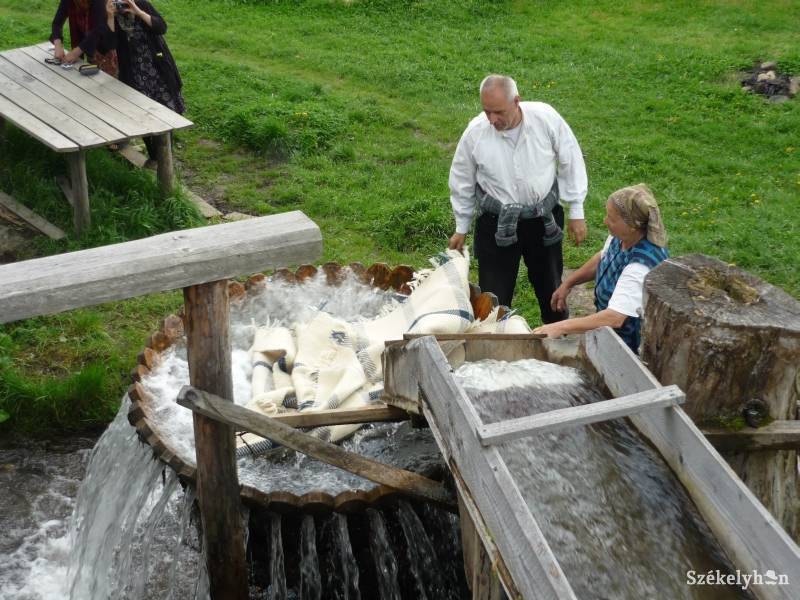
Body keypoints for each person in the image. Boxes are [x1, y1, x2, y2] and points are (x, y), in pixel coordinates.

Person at [448, 74, 588, 323]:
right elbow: (462, 179)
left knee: (551, 289)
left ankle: (559, 340)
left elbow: (570, 158)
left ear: (517, 101)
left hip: (542, 220)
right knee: (493, 300)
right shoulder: (475, 132)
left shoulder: (545, 118)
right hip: (496, 223)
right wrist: (462, 226)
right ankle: (493, 351)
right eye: (487, 111)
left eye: (498, 112)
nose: (492, 119)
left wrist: (576, 211)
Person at [532, 184, 669, 353]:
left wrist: (559, 327)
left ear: (632, 225)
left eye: (611, 218)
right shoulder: (622, 237)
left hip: (630, 348)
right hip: (610, 336)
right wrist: (568, 284)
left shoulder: (640, 266)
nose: (605, 221)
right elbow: (603, 257)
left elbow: (615, 318)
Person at [101, 0, 185, 164]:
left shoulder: (141, 4)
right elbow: (107, 45)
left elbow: (161, 27)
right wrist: (110, 18)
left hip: (158, 70)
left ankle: (166, 156)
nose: (120, 4)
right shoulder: (110, 15)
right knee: (142, 116)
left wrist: (138, 11)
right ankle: (155, 157)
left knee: (166, 112)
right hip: (133, 74)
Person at [50, 0, 118, 75]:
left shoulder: (99, 2)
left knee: (105, 80)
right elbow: (56, 23)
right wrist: (58, 44)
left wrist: (76, 52)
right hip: (87, 45)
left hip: (104, 48)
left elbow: (99, 28)